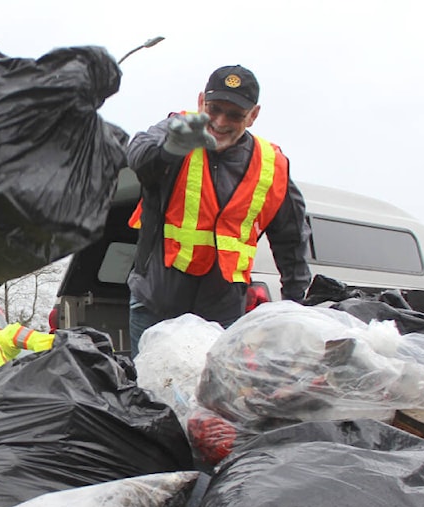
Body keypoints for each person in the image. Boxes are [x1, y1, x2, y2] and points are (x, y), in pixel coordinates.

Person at [124, 65, 311, 358]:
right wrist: (170, 150)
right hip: (156, 303)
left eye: (235, 114)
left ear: (253, 115)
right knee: (147, 396)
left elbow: (292, 238)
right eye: (214, 109)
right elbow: (138, 157)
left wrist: (294, 306)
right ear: (201, 102)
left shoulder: (271, 164)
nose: (221, 122)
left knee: (211, 399)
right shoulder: (176, 130)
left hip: (222, 314)